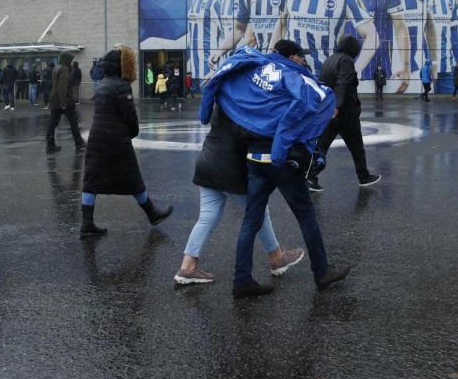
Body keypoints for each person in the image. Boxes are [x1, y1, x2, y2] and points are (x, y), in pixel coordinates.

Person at [200, 39, 350, 298]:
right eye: (300, 57)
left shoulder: (253, 71)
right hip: (281, 159)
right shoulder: (291, 77)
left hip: (254, 157)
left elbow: (218, 82)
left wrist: (204, 112)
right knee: (305, 215)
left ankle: (242, 280)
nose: (303, 61)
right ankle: (322, 271)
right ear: (292, 58)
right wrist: (281, 148)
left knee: (251, 220)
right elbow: (304, 105)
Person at [174, 103, 304, 285]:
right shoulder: (243, 101)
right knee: (259, 212)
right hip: (231, 169)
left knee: (206, 218)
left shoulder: (222, 99)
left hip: (207, 163)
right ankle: (276, 258)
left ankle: (187, 267)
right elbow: (251, 133)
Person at [78, 45, 173, 237]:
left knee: (91, 181)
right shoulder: (122, 85)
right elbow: (130, 117)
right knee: (133, 179)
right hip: (116, 140)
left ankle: (87, 224)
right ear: (122, 66)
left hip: (97, 139)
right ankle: (152, 213)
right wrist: (132, 132)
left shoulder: (103, 83)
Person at [308, 35, 380, 192]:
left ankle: (311, 177)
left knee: (322, 145)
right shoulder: (346, 61)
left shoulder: (330, 60)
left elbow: (323, 83)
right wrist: (338, 105)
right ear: (354, 49)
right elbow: (343, 83)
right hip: (345, 112)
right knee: (356, 147)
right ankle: (364, 177)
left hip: (329, 111)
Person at [46, 52, 85, 154]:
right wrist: (63, 103)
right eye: (70, 60)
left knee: (52, 123)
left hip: (54, 99)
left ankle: (50, 145)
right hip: (64, 100)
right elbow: (62, 88)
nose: (71, 63)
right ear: (67, 60)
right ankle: (79, 142)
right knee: (73, 121)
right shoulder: (64, 70)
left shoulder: (56, 68)